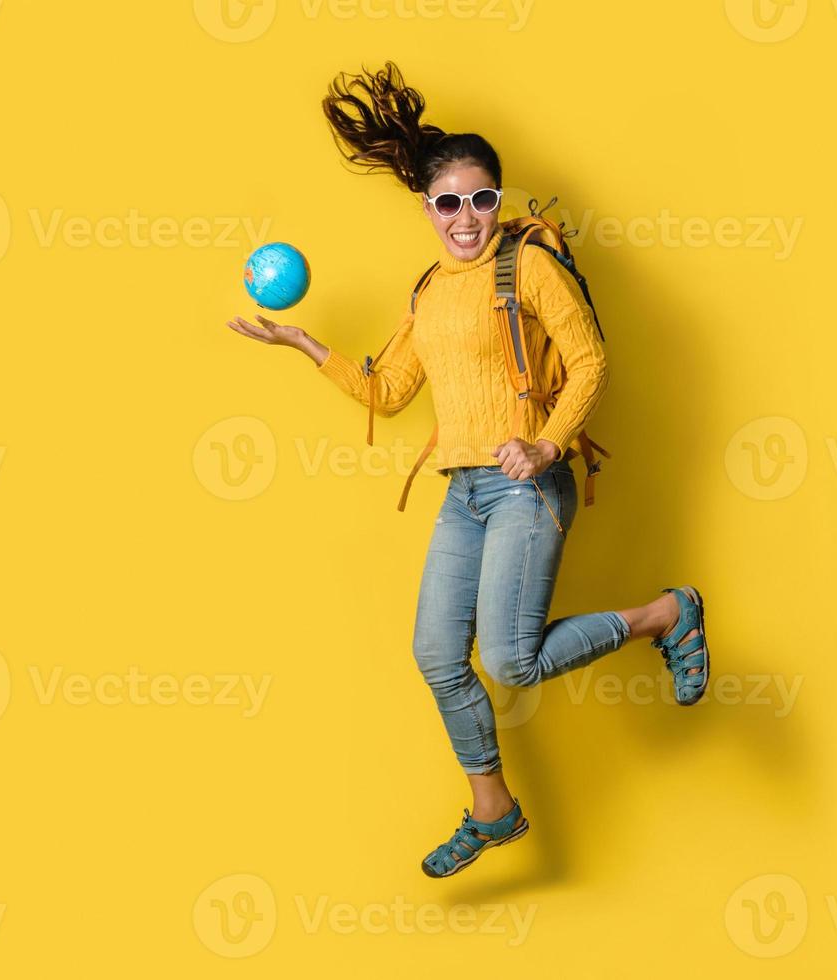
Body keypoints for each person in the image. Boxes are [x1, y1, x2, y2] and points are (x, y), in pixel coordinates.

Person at [224, 62, 711, 878]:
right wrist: (306, 347)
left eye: (482, 198)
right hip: (465, 492)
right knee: (437, 655)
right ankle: (495, 810)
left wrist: (548, 445)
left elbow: (589, 361)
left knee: (508, 661)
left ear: (498, 199)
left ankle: (668, 613)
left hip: (527, 485)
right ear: (428, 208)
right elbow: (388, 388)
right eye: (449, 202)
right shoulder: (428, 292)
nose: (467, 217)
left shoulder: (530, 267)